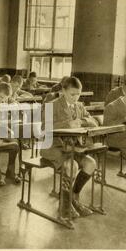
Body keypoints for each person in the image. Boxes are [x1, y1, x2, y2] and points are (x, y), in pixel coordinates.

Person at [40, 77, 98, 217]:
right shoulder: (51, 105)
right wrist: (68, 124)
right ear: (63, 91)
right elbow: (44, 127)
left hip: (72, 147)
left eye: (78, 94)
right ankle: (64, 205)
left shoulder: (79, 106)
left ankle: (73, 197)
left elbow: (94, 122)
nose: (75, 97)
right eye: (72, 94)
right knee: (71, 166)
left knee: (91, 164)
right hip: (53, 147)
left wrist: (82, 121)